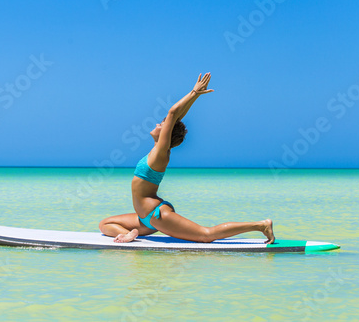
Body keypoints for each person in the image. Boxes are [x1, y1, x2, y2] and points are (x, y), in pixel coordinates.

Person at [99, 73, 275, 244]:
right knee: (105, 224)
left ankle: (261, 225)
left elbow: (172, 114)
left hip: (156, 214)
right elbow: (174, 118)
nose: (157, 124)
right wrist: (193, 98)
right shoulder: (156, 150)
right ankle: (129, 234)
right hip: (144, 218)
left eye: (161, 125)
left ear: (166, 135)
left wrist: (194, 93)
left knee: (206, 235)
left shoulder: (161, 152)